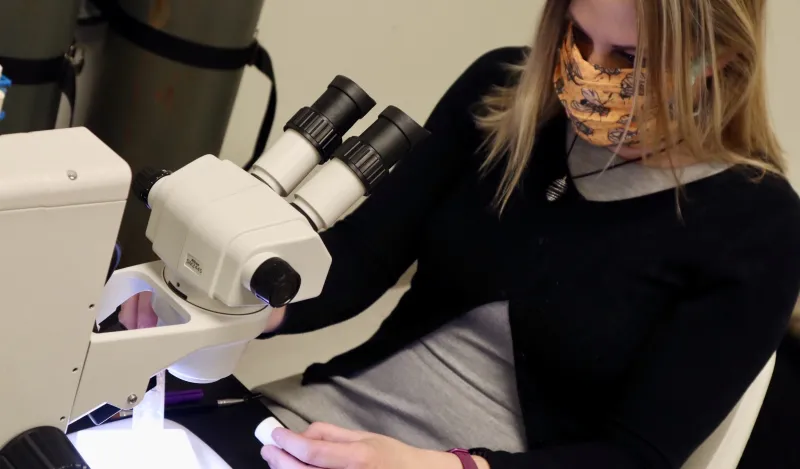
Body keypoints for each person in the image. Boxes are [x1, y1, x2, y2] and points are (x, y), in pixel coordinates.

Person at [121, 0, 800, 467]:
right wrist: (229, 306)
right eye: (576, 32)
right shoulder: (501, 96)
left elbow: (635, 457)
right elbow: (359, 258)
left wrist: (440, 466)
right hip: (317, 426)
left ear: (712, 58)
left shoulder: (754, 224)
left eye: (627, 56)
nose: (589, 71)